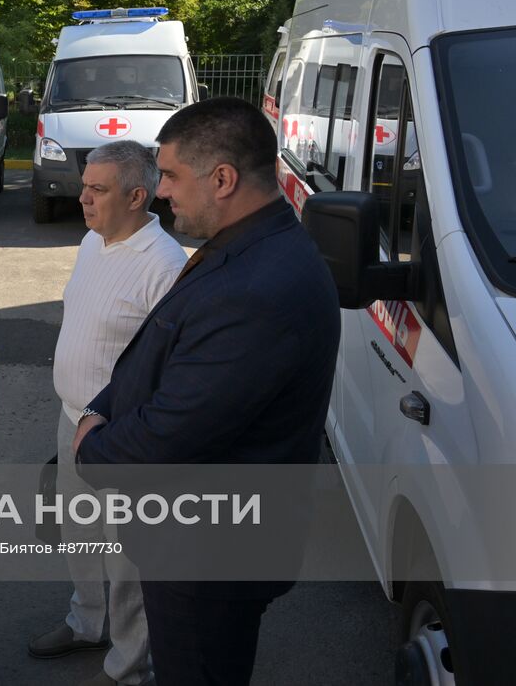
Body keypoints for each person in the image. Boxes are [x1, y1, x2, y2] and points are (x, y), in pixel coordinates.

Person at [74, 97, 341, 686]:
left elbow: (176, 429)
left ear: (222, 179)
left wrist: (92, 448)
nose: (161, 191)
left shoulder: (258, 285)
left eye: (169, 175)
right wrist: (101, 406)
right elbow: (157, 350)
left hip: (209, 556)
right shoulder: (247, 245)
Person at [28, 141, 185, 686]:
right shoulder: (93, 243)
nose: (83, 199)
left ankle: (128, 666)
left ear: (137, 196)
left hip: (122, 437)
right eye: (84, 186)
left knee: (126, 559)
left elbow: (172, 372)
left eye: (98, 189)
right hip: (74, 420)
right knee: (81, 537)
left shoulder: (165, 268)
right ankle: (87, 623)